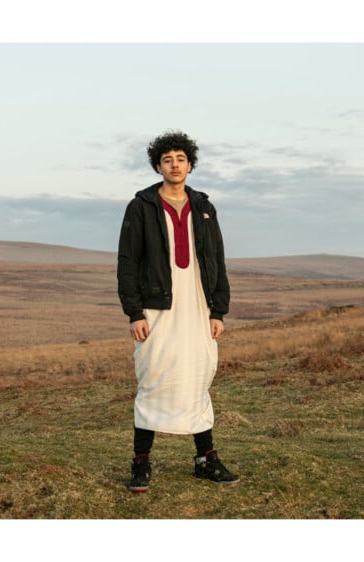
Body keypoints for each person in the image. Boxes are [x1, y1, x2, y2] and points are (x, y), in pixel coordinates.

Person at [117, 130, 240, 492]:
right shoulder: (141, 206)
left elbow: (217, 259)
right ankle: (141, 464)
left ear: (190, 165)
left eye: (181, 159)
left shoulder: (204, 207)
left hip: (198, 306)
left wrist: (218, 311)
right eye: (167, 160)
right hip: (157, 307)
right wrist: (134, 312)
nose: (175, 165)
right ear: (158, 166)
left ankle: (206, 460)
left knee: (198, 377)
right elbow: (127, 261)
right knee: (154, 378)